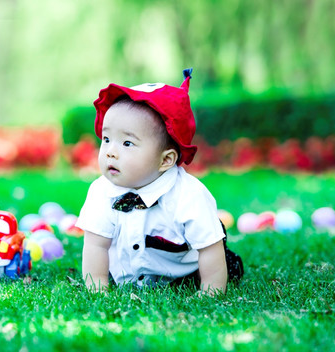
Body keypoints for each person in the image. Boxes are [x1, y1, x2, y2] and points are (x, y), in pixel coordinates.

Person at [76, 69, 243, 295]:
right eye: (106, 139)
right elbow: (96, 245)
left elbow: (208, 248)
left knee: (218, 251)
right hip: (127, 271)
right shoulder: (100, 191)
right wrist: (97, 288)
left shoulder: (189, 195)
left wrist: (210, 292)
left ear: (166, 160)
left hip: (181, 272)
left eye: (127, 143)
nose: (110, 152)